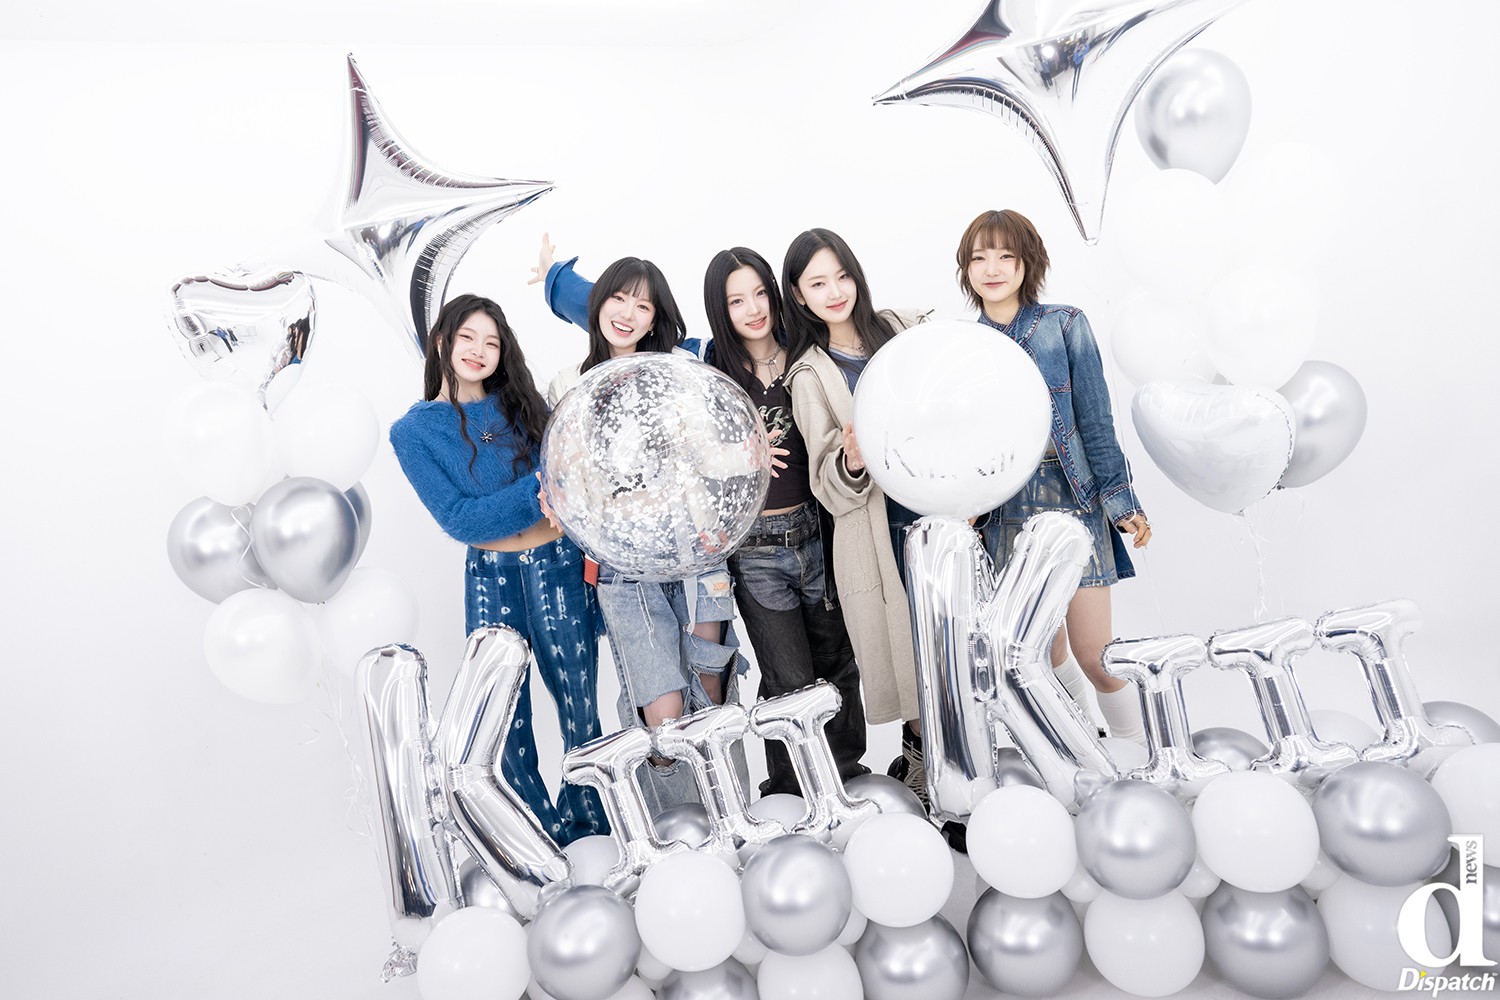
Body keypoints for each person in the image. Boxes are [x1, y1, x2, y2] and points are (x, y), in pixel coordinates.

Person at [531, 236, 749, 814]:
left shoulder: (680, 367)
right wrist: (558, 499)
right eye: (618, 299)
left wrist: (749, 455)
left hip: (697, 548)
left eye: (644, 305)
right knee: (663, 709)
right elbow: (566, 476)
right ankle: (678, 829)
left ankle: (733, 815)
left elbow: (709, 455)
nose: (628, 313)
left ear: (657, 318)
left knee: (711, 685)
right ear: (598, 303)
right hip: (622, 566)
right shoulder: (568, 384)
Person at [388, 293, 609, 845]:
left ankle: (593, 832)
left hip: (558, 565)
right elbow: (460, 519)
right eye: (467, 337)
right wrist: (541, 486)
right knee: (506, 723)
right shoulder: (414, 432)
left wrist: (556, 483)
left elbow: (572, 476)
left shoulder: (525, 406)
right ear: (442, 342)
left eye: (491, 342)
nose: (479, 351)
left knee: (581, 708)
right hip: (491, 577)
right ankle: (542, 838)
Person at [956, 209, 1152, 746]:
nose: (992, 268)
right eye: (979, 258)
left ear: (1027, 263)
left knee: (1095, 653)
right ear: (966, 269)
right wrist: (966, 502)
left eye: (1006, 256)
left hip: (1073, 499)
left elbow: (1096, 422)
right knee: (1038, 652)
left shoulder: (1064, 325)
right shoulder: (965, 347)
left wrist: (1121, 502)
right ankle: (1084, 745)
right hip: (1005, 512)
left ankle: (1138, 751)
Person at [702, 247, 869, 795]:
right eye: (736, 301)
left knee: (837, 663)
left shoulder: (805, 352)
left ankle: (845, 775)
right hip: (755, 549)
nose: (753, 309)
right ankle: (790, 788)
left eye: (759, 293)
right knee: (788, 678)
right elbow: (636, 315)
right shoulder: (712, 369)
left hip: (818, 533)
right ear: (720, 309)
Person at [780, 227, 933, 804]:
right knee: (907, 658)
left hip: (932, 513)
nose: (835, 291)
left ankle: (964, 759)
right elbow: (827, 486)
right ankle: (925, 769)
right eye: (818, 283)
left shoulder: (902, 329)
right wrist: (850, 458)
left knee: (950, 642)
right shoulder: (809, 374)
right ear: (799, 296)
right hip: (873, 530)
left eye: (842, 275)